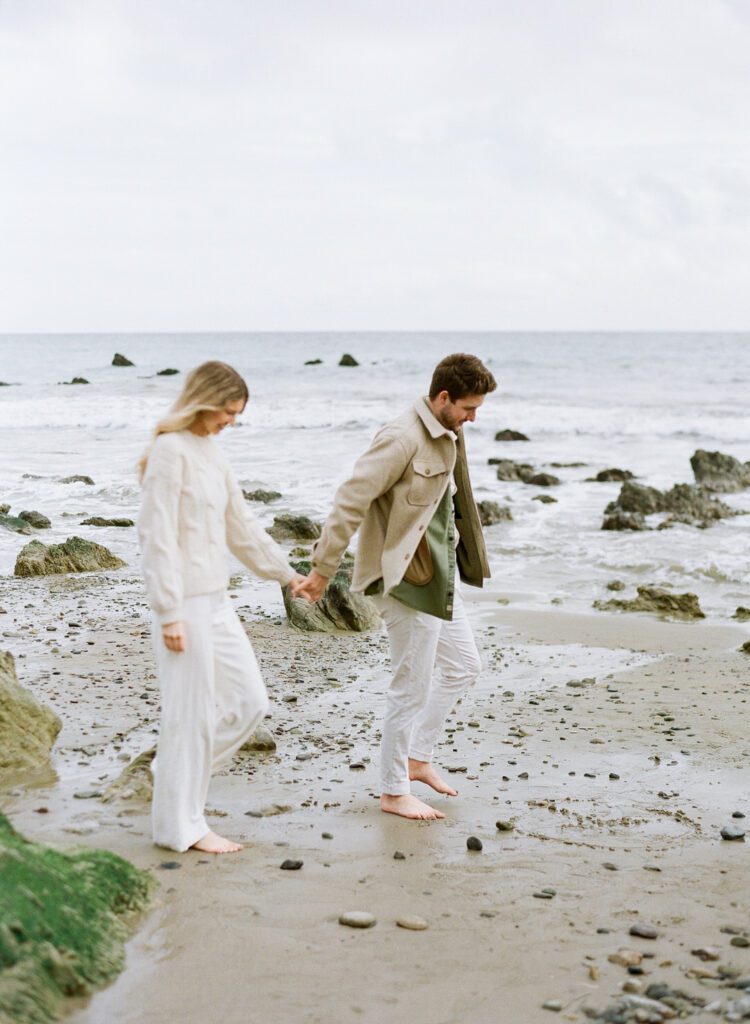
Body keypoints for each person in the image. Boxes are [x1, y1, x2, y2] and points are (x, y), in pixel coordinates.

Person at [292, 353, 496, 820]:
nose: (474, 418)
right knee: (411, 685)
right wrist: (323, 569)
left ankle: (418, 759)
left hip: (437, 574)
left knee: (464, 666)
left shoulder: (449, 432)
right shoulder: (402, 436)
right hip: (402, 578)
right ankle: (393, 789)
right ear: (443, 397)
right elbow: (351, 497)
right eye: (468, 407)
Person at [138, 361, 304, 854]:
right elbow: (156, 536)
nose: (231, 421)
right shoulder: (170, 452)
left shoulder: (212, 454)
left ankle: (171, 774)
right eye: (228, 411)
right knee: (187, 717)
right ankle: (180, 827)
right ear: (204, 401)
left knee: (250, 702)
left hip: (216, 600)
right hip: (183, 603)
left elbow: (243, 526)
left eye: (237, 414)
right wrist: (168, 611)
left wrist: (286, 573)